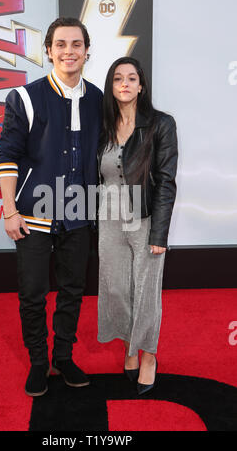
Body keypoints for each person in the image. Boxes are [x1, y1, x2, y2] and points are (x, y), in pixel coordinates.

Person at [0, 17, 103, 396]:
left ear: (87, 52)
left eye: (76, 44)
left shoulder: (97, 99)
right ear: (48, 51)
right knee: (33, 294)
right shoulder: (24, 97)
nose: (68, 51)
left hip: (78, 215)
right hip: (31, 215)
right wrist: (9, 211)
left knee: (73, 290)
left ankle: (63, 357)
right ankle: (38, 363)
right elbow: (7, 158)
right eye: (61, 44)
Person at [97, 57, 178, 395]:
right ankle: (129, 344)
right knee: (116, 288)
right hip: (108, 218)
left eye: (132, 78)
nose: (125, 84)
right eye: (118, 79)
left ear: (141, 85)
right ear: (111, 87)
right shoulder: (103, 125)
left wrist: (160, 233)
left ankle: (147, 356)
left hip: (144, 219)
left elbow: (166, 180)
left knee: (146, 291)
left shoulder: (160, 124)